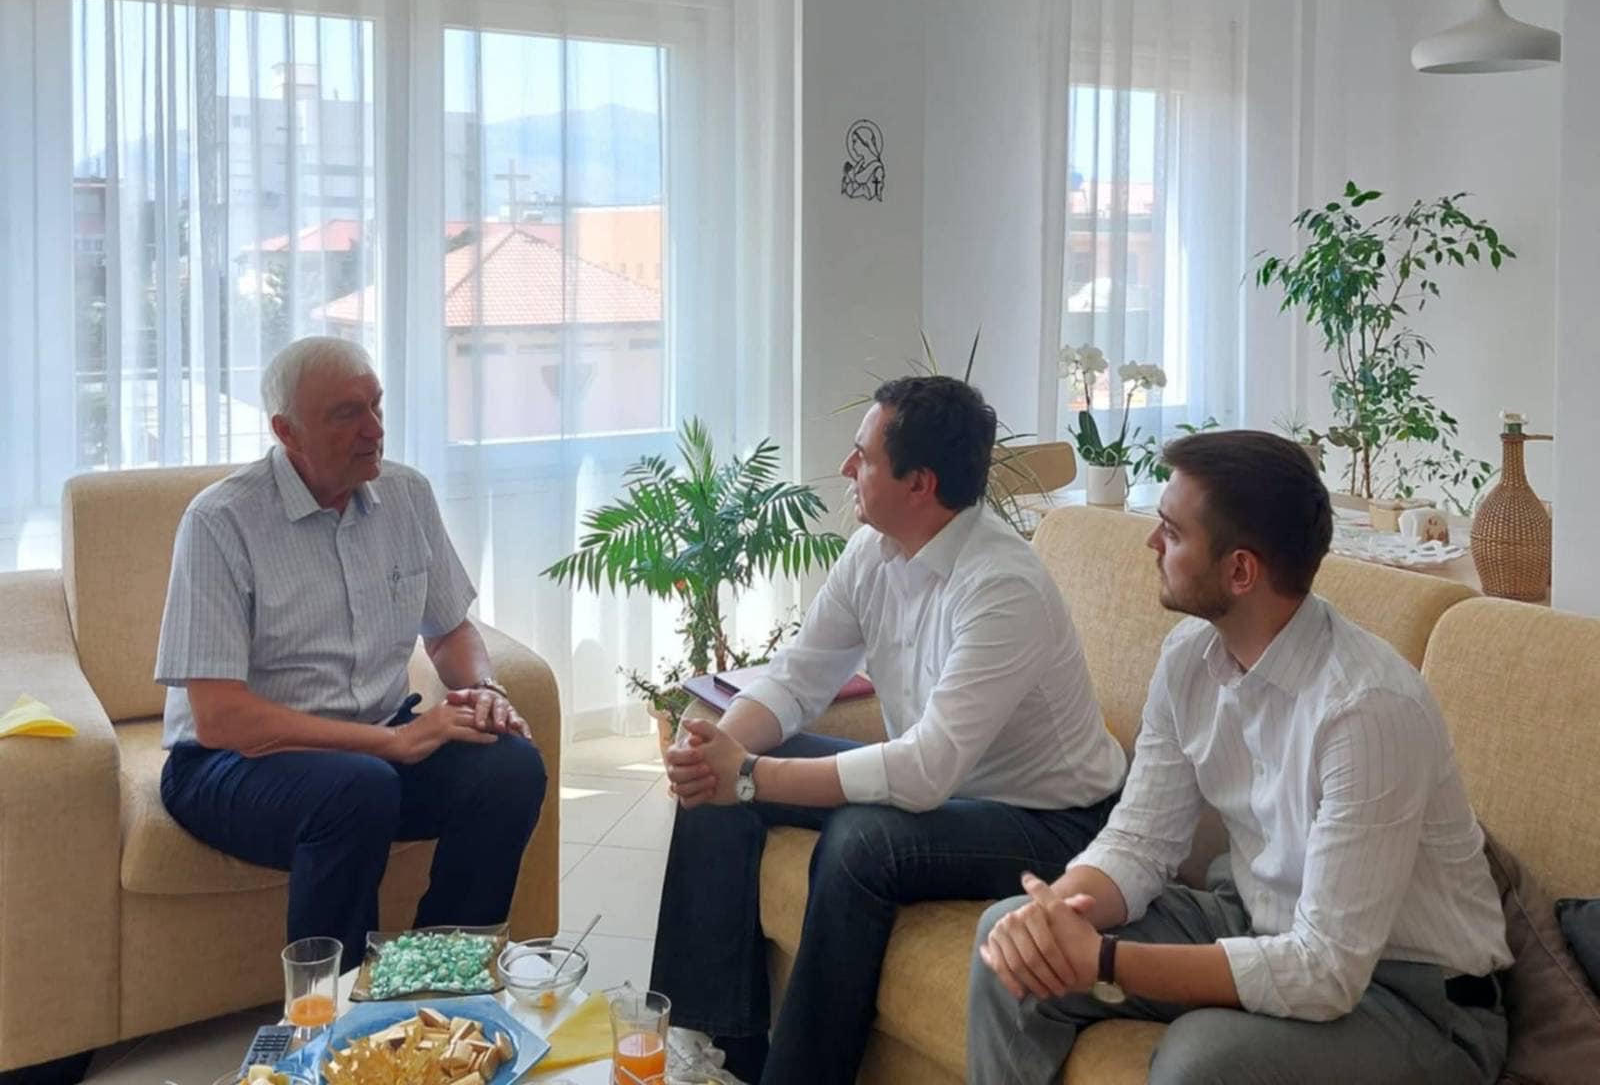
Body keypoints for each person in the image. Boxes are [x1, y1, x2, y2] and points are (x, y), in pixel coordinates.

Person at [967, 429, 1511, 1085]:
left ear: (1241, 571)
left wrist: (1103, 960)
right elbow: (1141, 841)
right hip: (1259, 923)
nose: (1151, 542)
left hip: (1414, 997)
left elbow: (1326, 971)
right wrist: (1054, 916)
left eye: (1172, 531)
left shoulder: (1367, 710)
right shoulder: (1188, 657)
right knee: (1008, 939)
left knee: (1202, 1061)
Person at [650, 375, 1128, 1085]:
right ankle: (717, 1055)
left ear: (919, 484)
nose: (847, 467)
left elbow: (924, 771)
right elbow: (797, 678)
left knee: (863, 839)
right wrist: (717, 752)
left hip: (1054, 822)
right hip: (953, 791)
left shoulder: (1001, 586)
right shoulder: (873, 551)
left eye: (864, 456)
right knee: (714, 787)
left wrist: (747, 775)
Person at [156, 336, 546, 970]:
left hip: (374, 746)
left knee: (510, 767)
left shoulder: (407, 494)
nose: (374, 429)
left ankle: (435, 976)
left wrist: (483, 690)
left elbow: (449, 631)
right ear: (287, 432)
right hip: (231, 764)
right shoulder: (220, 521)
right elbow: (221, 718)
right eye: (346, 414)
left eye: (376, 405)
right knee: (358, 788)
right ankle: (331, 1009)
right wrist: (393, 743)